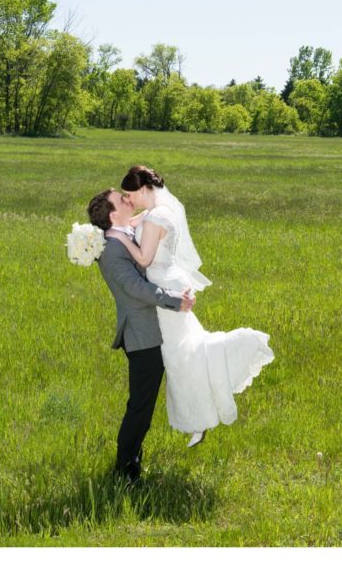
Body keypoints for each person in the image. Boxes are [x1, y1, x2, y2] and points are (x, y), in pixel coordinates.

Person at [118, 165, 275, 448]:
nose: (128, 200)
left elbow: (144, 259)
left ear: (143, 189)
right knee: (184, 352)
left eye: (130, 195)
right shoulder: (157, 211)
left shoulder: (156, 217)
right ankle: (201, 418)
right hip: (169, 284)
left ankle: (207, 407)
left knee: (182, 355)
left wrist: (119, 240)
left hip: (165, 288)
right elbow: (132, 223)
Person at [87, 188, 195, 484]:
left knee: (144, 404)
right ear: (112, 215)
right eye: (120, 200)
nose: (126, 198)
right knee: (140, 408)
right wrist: (175, 299)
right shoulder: (111, 250)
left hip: (153, 331)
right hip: (142, 337)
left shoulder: (123, 232)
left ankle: (132, 461)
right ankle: (125, 471)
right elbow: (136, 289)